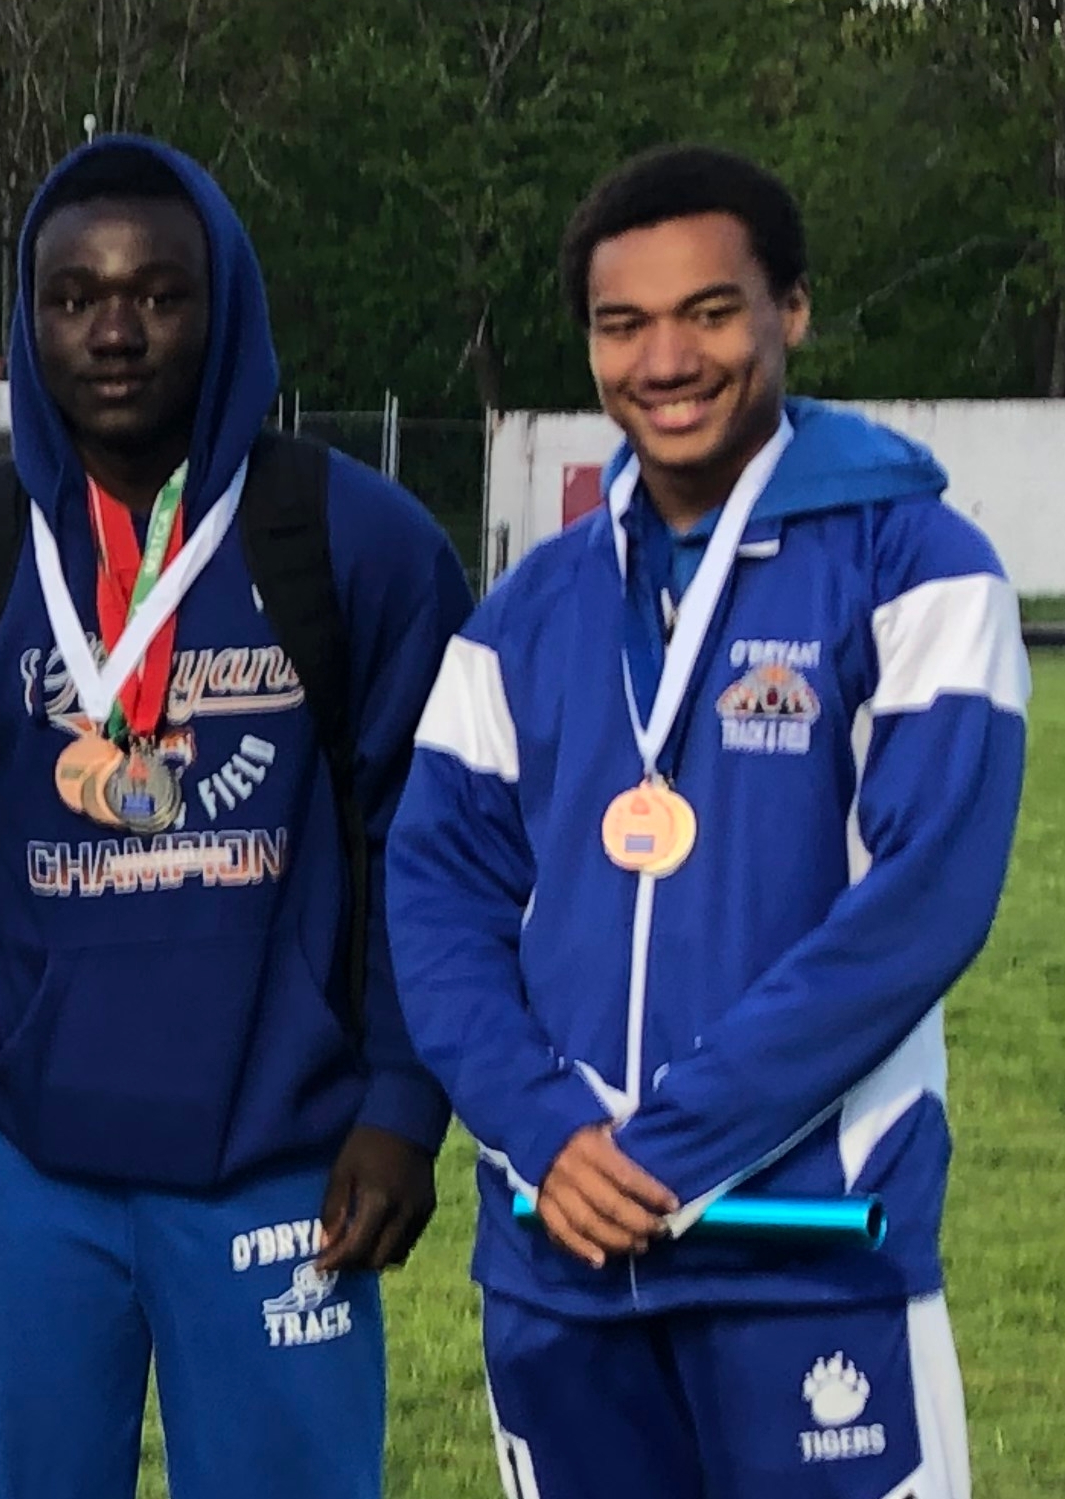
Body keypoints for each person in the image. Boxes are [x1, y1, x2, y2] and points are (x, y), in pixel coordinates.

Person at [388, 147, 1021, 1499]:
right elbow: (436, 894)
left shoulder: (920, 565)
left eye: (711, 312)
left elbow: (923, 903)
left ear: (790, 309)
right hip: (562, 1265)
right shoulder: (527, 611)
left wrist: (662, 1153)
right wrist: (547, 1130)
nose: (666, 358)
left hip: (810, 1259)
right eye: (624, 324)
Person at [0, 138, 468, 1498]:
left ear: (226, 304)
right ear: (29, 320)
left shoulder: (355, 543)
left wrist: (405, 1106)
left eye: (158, 293)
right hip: (28, 1172)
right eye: (73, 295)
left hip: (277, 1162)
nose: (115, 330)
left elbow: (426, 852)